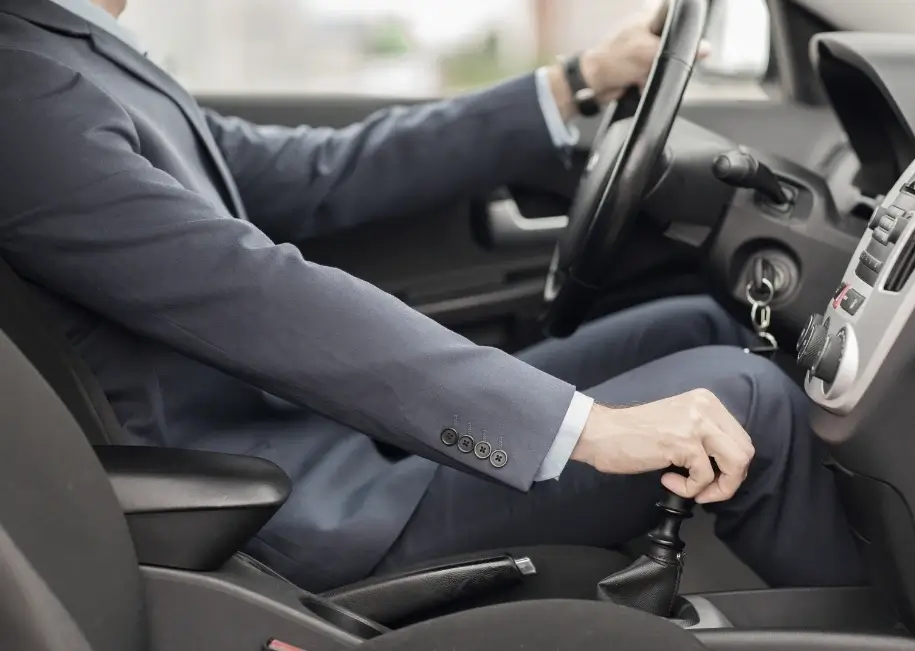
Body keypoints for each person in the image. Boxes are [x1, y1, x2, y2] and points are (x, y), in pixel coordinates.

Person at [0, 0, 865, 594]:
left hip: (323, 440)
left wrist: (575, 81)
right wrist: (589, 430)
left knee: (699, 322)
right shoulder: (23, 88)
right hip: (278, 503)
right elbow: (253, 292)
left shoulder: (68, 52)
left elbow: (316, 173)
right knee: (746, 401)